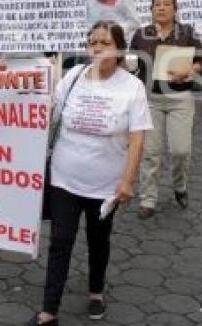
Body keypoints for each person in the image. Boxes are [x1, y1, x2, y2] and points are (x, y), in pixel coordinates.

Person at [29, 21, 151, 326]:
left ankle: (96, 291)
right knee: (60, 241)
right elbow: (48, 112)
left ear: (120, 49)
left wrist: (128, 181)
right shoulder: (72, 77)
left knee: (99, 241)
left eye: (105, 43)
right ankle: (49, 311)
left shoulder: (132, 87)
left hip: (105, 185)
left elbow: (138, 137)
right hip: (64, 177)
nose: (97, 48)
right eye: (92, 42)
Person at [129, 0, 202, 218]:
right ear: (151, 9)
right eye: (157, 5)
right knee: (150, 152)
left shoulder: (187, 33)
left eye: (166, 4)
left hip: (180, 99)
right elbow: (131, 62)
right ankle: (148, 199)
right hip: (149, 99)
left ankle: (179, 185)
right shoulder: (141, 35)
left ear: (175, 8)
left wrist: (191, 70)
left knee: (180, 150)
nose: (161, 8)